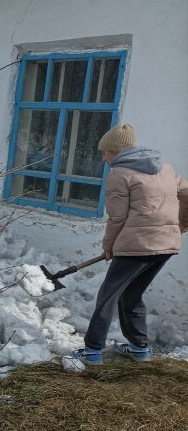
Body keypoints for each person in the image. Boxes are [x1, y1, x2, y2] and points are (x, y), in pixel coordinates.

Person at [69, 124, 188, 366]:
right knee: (132, 294)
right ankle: (139, 348)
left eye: (105, 152)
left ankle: (92, 351)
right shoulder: (165, 168)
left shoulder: (120, 173)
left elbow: (117, 218)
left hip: (137, 245)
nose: (103, 157)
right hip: (167, 245)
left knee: (107, 296)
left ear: (116, 151)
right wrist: (181, 224)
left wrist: (109, 246)